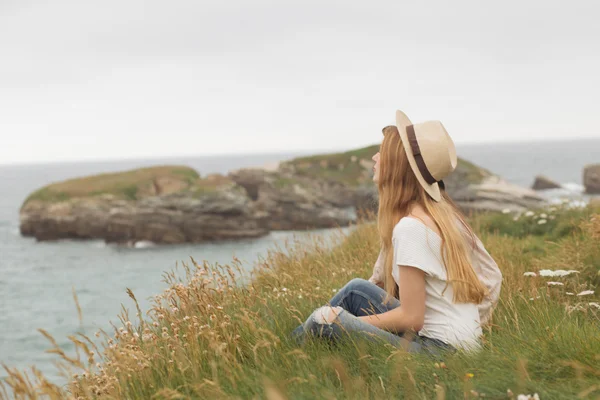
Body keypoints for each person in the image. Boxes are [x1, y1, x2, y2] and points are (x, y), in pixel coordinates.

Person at [290, 110, 502, 354]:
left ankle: (286, 356)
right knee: (356, 290)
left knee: (323, 320)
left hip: (441, 352)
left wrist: (346, 325)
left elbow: (412, 318)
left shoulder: (411, 228)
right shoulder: (438, 216)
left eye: (382, 151)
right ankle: (292, 353)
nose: (375, 157)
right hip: (463, 346)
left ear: (397, 165)